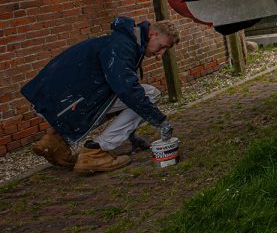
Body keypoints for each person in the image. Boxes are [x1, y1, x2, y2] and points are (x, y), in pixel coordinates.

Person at [22, 17, 179, 174]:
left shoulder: (124, 41)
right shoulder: (123, 47)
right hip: (64, 102)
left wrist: (131, 137)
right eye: (161, 47)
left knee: (133, 95)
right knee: (150, 95)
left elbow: (123, 92)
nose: (160, 55)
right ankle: (96, 153)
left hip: (52, 98)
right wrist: (160, 121)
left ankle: (55, 141)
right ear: (153, 34)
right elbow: (128, 92)